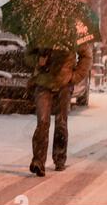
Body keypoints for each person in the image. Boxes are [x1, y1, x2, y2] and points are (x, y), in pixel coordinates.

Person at [25, 42, 93, 177]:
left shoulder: (72, 31)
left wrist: (75, 76)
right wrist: (38, 61)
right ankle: (38, 161)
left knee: (61, 122)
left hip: (64, 85)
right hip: (43, 84)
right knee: (43, 122)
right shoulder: (42, 30)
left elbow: (86, 56)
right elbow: (28, 55)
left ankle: (59, 158)